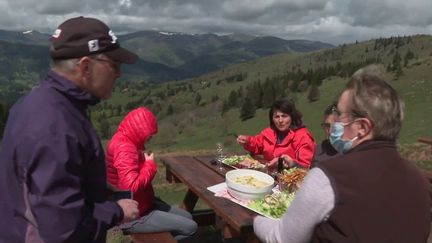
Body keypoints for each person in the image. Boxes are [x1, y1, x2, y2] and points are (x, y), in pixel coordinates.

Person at [0, 17, 140, 242]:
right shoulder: (55, 126)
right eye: (114, 65)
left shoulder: (41, 102)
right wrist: (117, 211)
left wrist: (90, 183)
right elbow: (64, 230)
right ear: (85, 66)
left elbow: (40, 181)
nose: (119, 73)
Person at [253, 69, 431, 242]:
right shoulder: (421, 182)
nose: (335, 125)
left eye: (340, 117)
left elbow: (282, 238)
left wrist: (254, 219)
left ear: (362, 127)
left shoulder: (330, 176)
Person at [106, 107, 197, 240]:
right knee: (190, 227)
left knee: (187, 216)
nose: (149, 138)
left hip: (143, 203)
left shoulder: (124, 140)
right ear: (140, 131)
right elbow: (131, 187)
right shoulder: (125, 148)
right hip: (133, 216)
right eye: (149, 135)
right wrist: (149, 165)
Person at [237, 99, 316, 169]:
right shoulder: (270, 132)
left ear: (292, 117)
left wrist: (289, 163)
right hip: (268, 175)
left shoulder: (303, 137)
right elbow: (257, 144)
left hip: (289, 180)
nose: (280, 120)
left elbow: (306, 166)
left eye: (284, 116)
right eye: (276, 117)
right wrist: (247, 141)